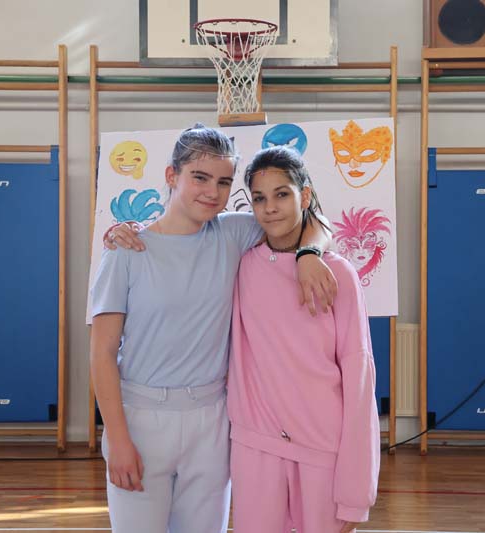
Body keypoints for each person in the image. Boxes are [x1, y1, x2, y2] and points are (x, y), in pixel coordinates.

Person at [89, 125, 335, 533]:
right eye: (200, 177)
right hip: (141, 420)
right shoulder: (125, 251)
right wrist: (117, 439)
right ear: (172, 175)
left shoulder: (234, 232)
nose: (212, 192)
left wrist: (309, 253)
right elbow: (101, 354)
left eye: (223, 182)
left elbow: (312, 218)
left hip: (212, 421)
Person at [228, 146, 380, 533]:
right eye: (259, 198)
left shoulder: (337, 274)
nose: (270, 208)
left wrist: (356, 492)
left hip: (322, 446)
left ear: (305, 195)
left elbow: (359, 378)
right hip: (256, 442)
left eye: (282, 194)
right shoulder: (241, 265)